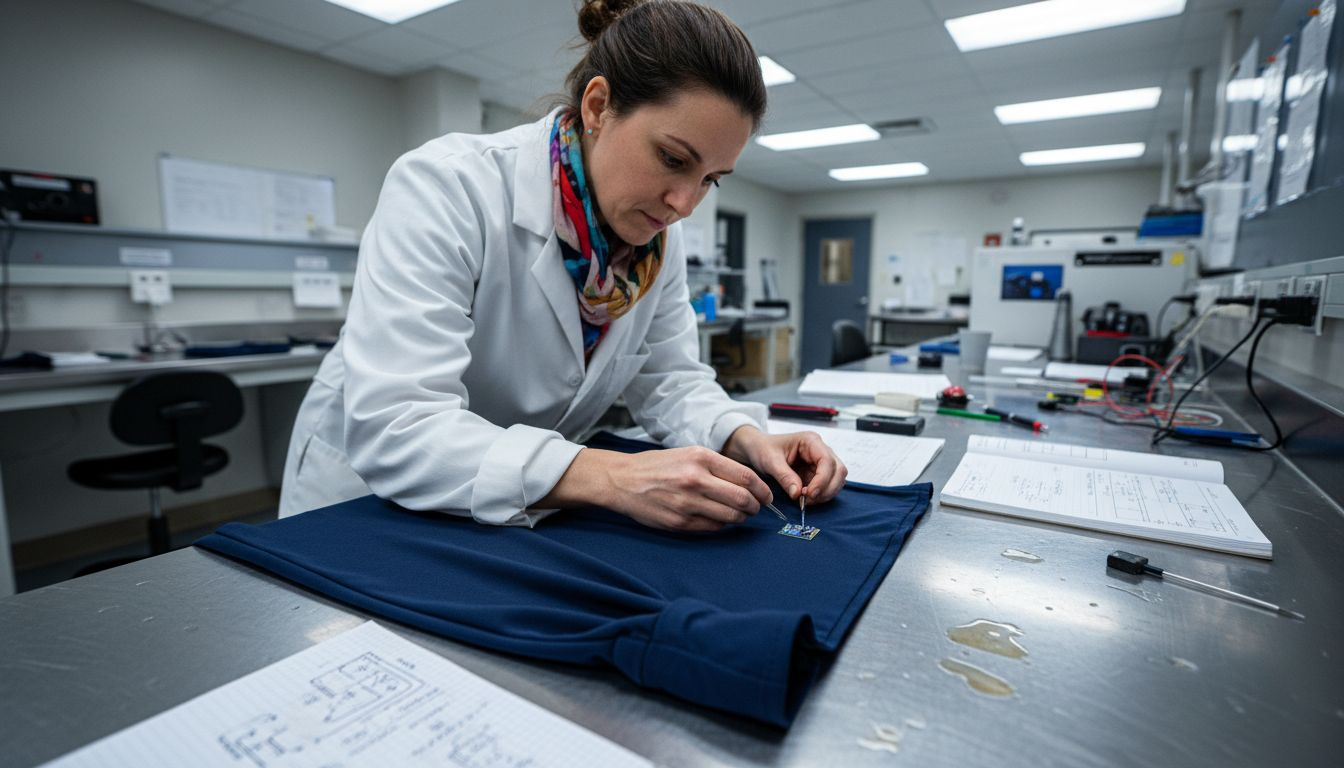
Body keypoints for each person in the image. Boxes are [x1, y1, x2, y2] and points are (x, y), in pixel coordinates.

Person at [278, 0, 846, 531]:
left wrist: (745, 437)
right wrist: (609, 476)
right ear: (598, 106)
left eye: (709, 180)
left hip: (517, 501)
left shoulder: (654, 244)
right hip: (366, 501)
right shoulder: (449, 187)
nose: (684, 204)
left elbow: (670, 380)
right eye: (673, 159)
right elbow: (398, 424)